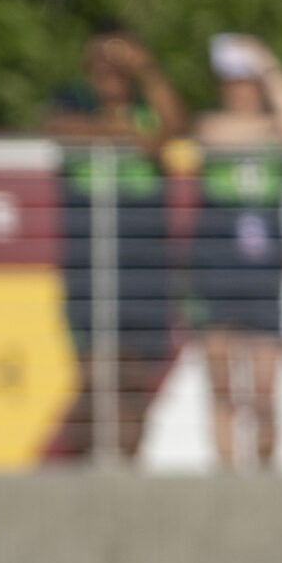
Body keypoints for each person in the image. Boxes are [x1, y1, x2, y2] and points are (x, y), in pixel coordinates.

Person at [45, 32, 190, 461]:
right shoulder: (72, 101)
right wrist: (117, 129)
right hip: (88, 265)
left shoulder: (148, 106)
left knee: (133, 381)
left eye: (118, 64)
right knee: (94, 374)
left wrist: (146, 69)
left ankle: (127, 470)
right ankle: (79, 465)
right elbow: (57, 128)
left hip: (146, 269)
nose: (109, 72)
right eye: (101, 63)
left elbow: (172, 131)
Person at [192, 34, 282, 470]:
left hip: (262, 268)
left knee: (264, 387)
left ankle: (265, 473)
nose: (240, 90)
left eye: (247, 81)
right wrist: (271, 130)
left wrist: (270, 66)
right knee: (221, 381)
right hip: (214, 263)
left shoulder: (274, 121)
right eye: (232, 81)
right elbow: (214, 137)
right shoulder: (210, 123)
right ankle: (226, 474)